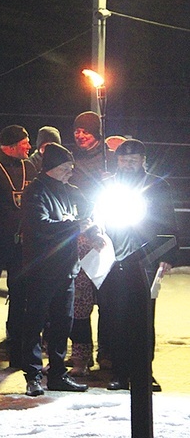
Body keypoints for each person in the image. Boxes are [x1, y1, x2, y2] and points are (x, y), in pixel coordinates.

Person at [96, 139, 177, 392]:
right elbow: (96, 217)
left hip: (146, 260)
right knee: (116, 317)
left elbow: (168, 223)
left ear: (143, 160)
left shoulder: (157, 185)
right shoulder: (108, 186)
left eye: (133, 160)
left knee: (143, 318)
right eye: (123, 160)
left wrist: (167, 256)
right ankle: (120, 372)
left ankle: (144, 372)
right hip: (114, 259)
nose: (128, 165)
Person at [19, 143, 97, 396]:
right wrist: (75, 226)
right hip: (41, 269)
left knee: (63, 323)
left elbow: (86, 213)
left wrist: (91, 226)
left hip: (67, 269)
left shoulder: (69, 191)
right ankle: (32, 375)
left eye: (71, 168)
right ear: (51, 168)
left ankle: (57, 374)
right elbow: (40, 226)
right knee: (35, 323)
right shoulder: (35, 191)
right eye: (65, 168)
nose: (69, 172)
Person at [0, 125, 36, 362]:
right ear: (11, 146)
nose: (29, 147)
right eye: (25, 142)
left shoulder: (29, 167)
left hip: (21, 243)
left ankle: (16, 342)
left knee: (20, 294)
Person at [69, 111, 114, 374]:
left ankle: (107, 354)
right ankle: (80, 357)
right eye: (77, 131)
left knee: (107, 301)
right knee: (80, 301)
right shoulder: (71, 161)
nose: (80, 136)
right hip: (78, 237)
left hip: (106, 239)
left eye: (86, 131)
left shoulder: (109, 160)